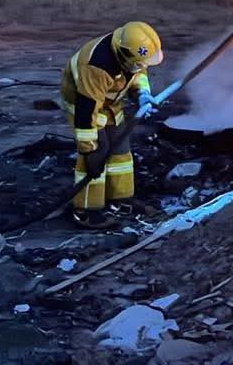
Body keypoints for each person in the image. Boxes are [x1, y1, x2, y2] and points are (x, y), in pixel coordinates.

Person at [61, 21, 163, 226]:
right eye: (139, 63)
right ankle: (87, 211)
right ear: (123, 56)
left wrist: (143, 94)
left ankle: (120, 200)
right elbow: (86, 112)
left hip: (110, 102)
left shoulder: (132, 55)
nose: (142, 67)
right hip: (85, 104)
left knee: (120, 150)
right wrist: (88, 149)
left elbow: (139, 72)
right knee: (98, 153)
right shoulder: (97, 66)